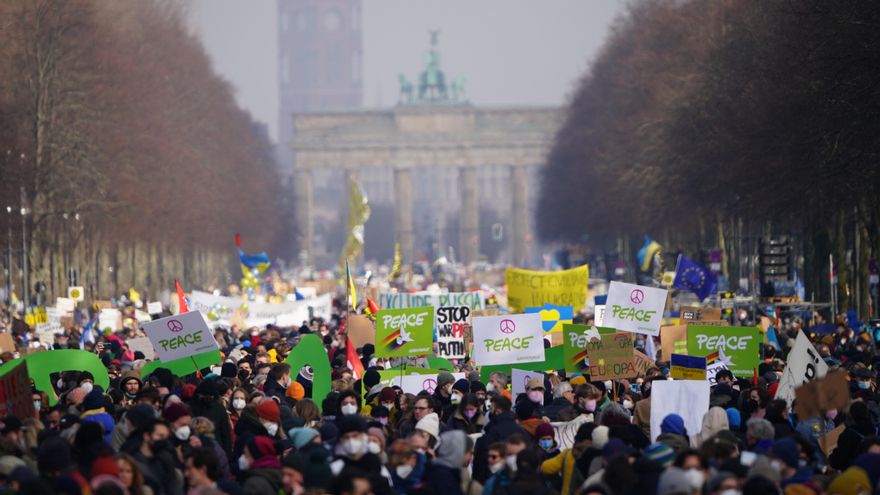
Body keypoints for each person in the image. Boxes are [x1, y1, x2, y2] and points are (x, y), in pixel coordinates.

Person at [474, 395, 527, 484]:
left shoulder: (492, 432)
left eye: (491, 408)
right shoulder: (522, 431)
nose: (489, 412)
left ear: (497, 410)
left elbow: (481, 462)